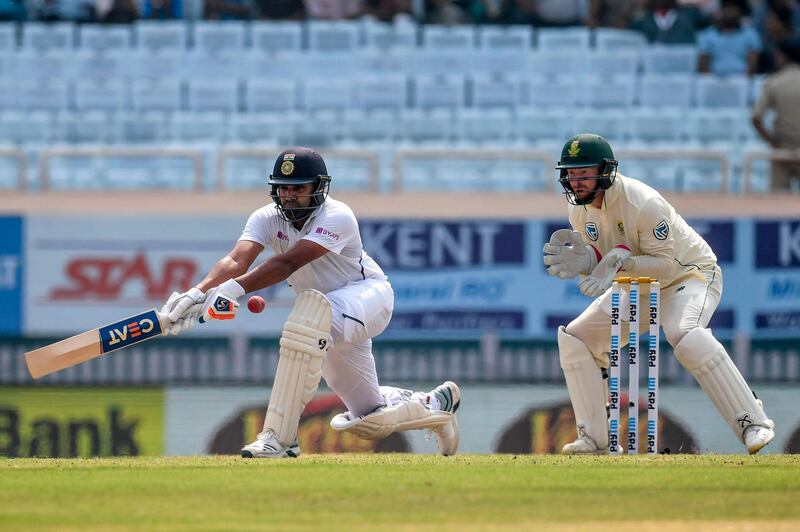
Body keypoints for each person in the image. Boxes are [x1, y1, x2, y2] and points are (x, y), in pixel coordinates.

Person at [160, 147, 461, 458]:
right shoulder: (266, 217)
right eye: (283, 187)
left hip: (368, 298)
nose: (289, 195)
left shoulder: (337, 215)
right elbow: (237, 259)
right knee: (371, 419)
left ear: (318, 187)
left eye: (299, 188)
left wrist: (233, 291)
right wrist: (196, 294)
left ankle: (277, 439)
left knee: (307, 321)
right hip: (326, 318)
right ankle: (437, 404)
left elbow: (289, 262)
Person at [543, 133, 775, 455]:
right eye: (571, 173)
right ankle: (595, 439)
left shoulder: (643, 203)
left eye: (584, 173)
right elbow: (606, 260)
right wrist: (589, 261)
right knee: (577, 339)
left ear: (606, 171)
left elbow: (665, 267)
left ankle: (752, 420)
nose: (576, 181)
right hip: (637, 284)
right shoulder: (579, 212)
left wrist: (621, 262)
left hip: (689, 276)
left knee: (685, 334)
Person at [752, 36, 800, 190]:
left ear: (783, 56)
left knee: (778, 203)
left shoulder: (773, 82)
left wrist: (772, 141)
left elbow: (756, 117)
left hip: (782, 148)